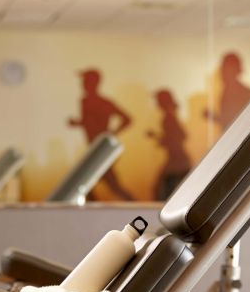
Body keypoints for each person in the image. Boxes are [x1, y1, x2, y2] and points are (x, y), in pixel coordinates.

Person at [69, 69, 134, 200]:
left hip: (101, 152)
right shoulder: (85, 101)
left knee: (95, 185)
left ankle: (137, 209)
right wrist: (78, 123)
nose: (82, 84)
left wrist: (112, 133)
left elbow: (127, 118)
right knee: (85, 187)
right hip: (94, 150)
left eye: (85, 81)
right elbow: (89, 123)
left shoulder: (102, 102)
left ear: (93, 83)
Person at [147, 89, 191, 200]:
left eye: (158, 100)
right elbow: (180, 136)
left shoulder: (168, 118)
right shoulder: (171, 116)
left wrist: (157, 138)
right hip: (177, 159)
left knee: (161, 192)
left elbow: (178, 138)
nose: (156, 103)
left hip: (176, 160)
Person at [204, 52, 250, 131]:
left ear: (233, 71)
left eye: (224, 69)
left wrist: (213, 117)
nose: (221, 73)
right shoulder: (227, 92)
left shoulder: (244, 94)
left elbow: (236, 122)